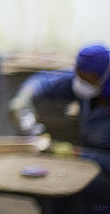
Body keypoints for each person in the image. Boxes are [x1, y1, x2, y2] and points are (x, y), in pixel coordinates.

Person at [9, 44, 110, 214]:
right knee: (48, 189)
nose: (81, 82)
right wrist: (23, 98)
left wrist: (76, 153)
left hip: (104, 168)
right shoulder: (86, 84)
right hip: (85, 157)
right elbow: (43, 81)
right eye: (79, 75)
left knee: (80, 188)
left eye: (87, 79)